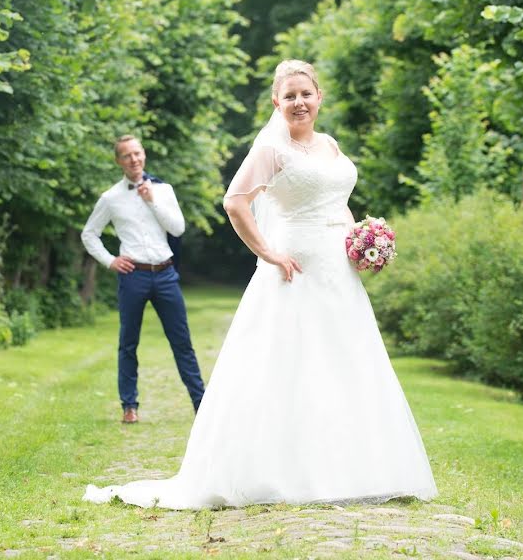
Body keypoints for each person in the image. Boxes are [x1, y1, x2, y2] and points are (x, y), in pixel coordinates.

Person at [83, 60, 437, 508]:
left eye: (305, 94)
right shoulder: (272, 148)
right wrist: (267, 252)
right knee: (291, 364)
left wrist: (364, 245)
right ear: (277, 102)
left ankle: (355, 469)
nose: (298, 102)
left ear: (319, 97)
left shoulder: (330, 144)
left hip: (338, 271)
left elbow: (339, 204)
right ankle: (281, 470)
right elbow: (235, 203)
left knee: (346, 360)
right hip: (295, 267)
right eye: (289, 96)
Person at [81, 135, 205, 424]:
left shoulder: (164, 190)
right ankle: (129, 405)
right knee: (128, 343)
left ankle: (201, 404)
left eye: (137, 153)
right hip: (133, 275)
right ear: (119, 161)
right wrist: (110, 260)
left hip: (165, 275)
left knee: (182, 342)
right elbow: (89, 234)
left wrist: (152, 202)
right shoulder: (110, 198)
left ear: (144, 155)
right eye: (126, 155)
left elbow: (178, 228)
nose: (133, 159)